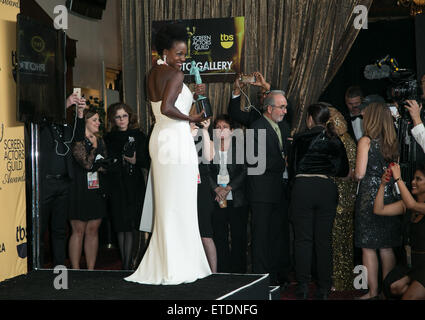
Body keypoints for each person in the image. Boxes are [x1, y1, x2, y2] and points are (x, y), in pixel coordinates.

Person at [125, 23, 211, 285]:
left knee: (168, 205)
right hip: (175, 139)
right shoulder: (175, 75)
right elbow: (167, 108)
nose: (183, 59)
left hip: (160, 140)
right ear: (165, 51)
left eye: (185, 54)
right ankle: (178, 265)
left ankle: (166, 263)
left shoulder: (152, 74)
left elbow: (162, 106)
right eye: (179, 54)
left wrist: (195, 98)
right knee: (178, 204)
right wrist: (191, 117)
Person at [289, 103, 349, 300]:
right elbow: (343, 171)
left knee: (302, 240)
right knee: (324, 240)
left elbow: (292, 170)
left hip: (303, 188)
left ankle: (303, 286)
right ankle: (324, 288)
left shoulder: (298, 138)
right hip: (325, 188)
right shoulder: (335, 139)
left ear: (309, 118)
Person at [354, 102, 401, 299]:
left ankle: (373, 292)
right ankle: (389, 291)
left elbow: (359, 173)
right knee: (386, 246)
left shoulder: (365, 141)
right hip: (389, 196)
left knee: (368, 246)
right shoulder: (392, 142)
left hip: (369, 198)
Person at [248, 90, 291, 287]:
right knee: (261, 238)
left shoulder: (283, 127)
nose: (285, 110)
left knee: (276, 236)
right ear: (269, 108)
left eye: (285, 106)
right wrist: (283, 162)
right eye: (281, 107)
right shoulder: (255, 127)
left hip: (279, 191)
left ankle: (275, 277)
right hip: (261, 193)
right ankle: (260, 279)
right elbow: (255, 161)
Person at [39, 93, 86, 267]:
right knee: (39, 229)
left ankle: (60, 268)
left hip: (64, 183)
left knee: (59, 230)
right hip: (45, 183)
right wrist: (65, 103)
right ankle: (37, 268)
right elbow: (40, 120)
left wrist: (80, 114)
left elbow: (78, 138)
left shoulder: (65, 126)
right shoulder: (42, 125)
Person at [104, 102, 149, 270]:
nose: (122, 120)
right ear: (113, 119)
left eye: (124, 116)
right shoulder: (108, 137)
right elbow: (106, 162)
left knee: (130, 226)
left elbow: (147, 161)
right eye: (118, 117)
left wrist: (136, 160)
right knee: (120, 226)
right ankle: (125, 264)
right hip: (116, 186)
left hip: (134, 185)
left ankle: (128, 265)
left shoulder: (139, 135)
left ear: (129, 117)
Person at [374, 163, 425, 300]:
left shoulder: (414, 205)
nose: (413, 182)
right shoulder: (405, 205)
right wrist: (382, 185)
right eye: (413, 179)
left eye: (418, 179)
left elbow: (413, 205)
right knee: (392, 287)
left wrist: (398, 179)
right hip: (411, 263)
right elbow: (379, 209)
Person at [68, 108, 108, 270]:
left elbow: (105, 165)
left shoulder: (101, 140)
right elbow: (86, 164)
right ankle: (76, 269)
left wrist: (100, 166)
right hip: (78, 188)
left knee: (93, 229)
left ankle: (91, 270)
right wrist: (93, 152)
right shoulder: (77, 140)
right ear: (85, 122)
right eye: (94, 120)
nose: (98, 123)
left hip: (96, 189)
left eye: (99, 120)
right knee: (78, 230)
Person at [208, 115, 248, 273]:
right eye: (218, 127)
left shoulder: (240, 147)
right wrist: (216, 188)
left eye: (225, 126)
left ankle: (239, 271)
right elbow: (205, 172)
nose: (221, 130)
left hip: (237, 198)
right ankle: (223, 269)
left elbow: (245, 171)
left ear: (232, 131)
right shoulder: (210, 147)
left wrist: (229, 187)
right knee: (219, 236)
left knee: (239, 236)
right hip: (217, 198)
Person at [328, 106, 357, 291]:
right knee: (345, 240)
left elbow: (348, 173)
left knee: (338, 239)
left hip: (340, 198)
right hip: (347, 197)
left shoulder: (340, 142)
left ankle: (339, 281)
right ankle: (344, 279)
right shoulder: (349, 140)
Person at [190, 119, 217, 273]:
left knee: (205, 233)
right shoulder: (179, 134)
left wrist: (205, 131)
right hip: (184, 185)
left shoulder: (204, 134)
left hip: (202, 186)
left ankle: (213, 272)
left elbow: (209, 157)